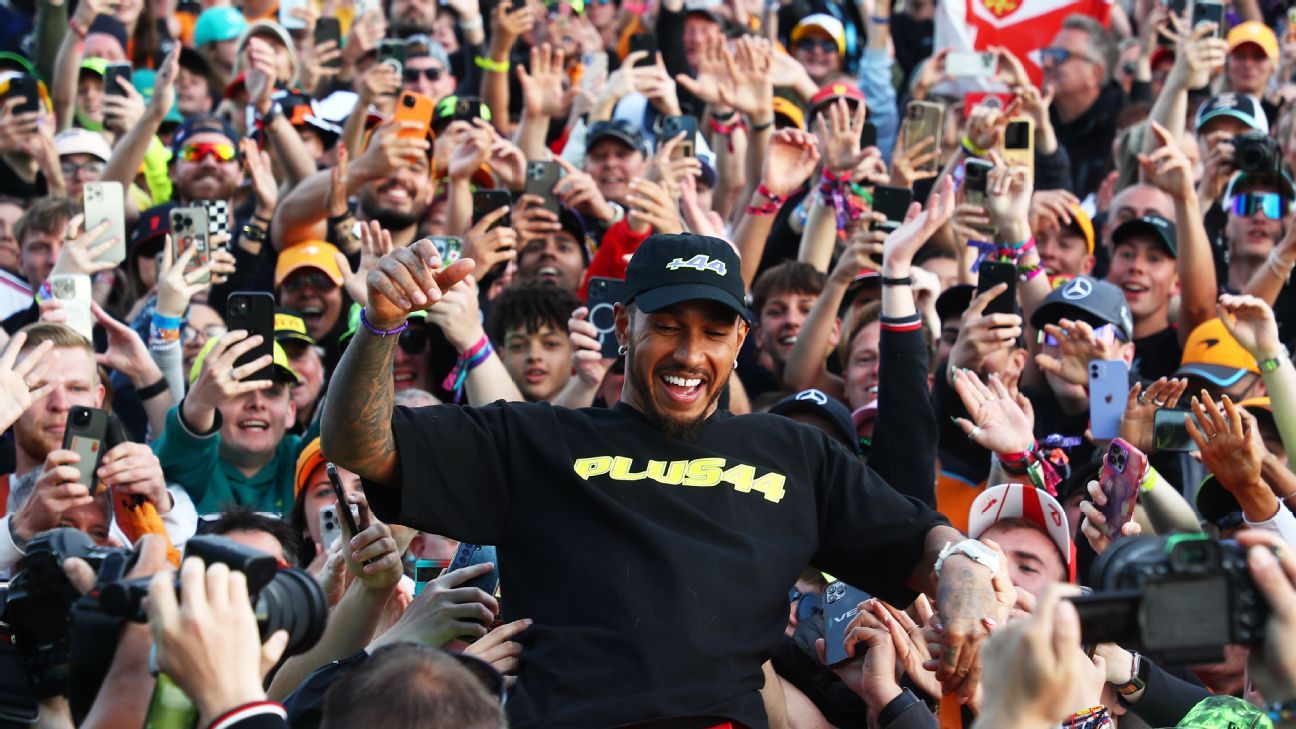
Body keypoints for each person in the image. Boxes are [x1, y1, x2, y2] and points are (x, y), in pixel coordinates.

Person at [323, 231, 1002, 727]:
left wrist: (965, 573)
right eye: (669, 327)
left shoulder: (793, 453)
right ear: (624, 325)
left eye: (714, 332)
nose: (689, 353)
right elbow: (362, 444)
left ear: (741, 340)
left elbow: (922, 540)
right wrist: (380, 325)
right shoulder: (534, 440)